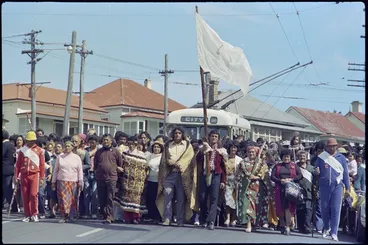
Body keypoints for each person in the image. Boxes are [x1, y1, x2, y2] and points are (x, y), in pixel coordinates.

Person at [156, 127, 195, 227]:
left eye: (179, 133)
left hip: (183, 175)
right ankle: (167, 218)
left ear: (182, 134)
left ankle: (180, 220)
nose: (177, 135)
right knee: (167, 195)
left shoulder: (187, 146)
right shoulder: (168, 145)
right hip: (169, 174)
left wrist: (178, 163)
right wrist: (169, 162)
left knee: (181, 198)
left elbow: (190, 159)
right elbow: (164, 160)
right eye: (175, 133)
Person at [314, 138, 350, 241]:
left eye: (333, 146)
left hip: (337, 186)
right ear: (327, 147)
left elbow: (346, 173)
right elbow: (316, 170)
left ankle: (334, 232)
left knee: (336, 209)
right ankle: (327, 227)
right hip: (324, 186)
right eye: (330, 146)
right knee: (324, 209)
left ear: (336, 146)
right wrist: (316, 172)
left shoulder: (341, 158)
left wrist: (347, 187)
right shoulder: (321, 157)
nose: (332, 148)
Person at [196, 130, 227, 230]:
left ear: (218, 139)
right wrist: (203, 151)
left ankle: (211, 221)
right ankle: (204, 219)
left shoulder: (221, 151)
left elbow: (224, 167)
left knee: (214, 198)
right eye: (212, 136)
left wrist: (223, 180)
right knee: (203, 197)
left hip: (216, 174)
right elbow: (197, 160)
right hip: (205, 174)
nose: (214, 138)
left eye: (216, 136)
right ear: (209, 137)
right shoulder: (204, 148)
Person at [114, 136, 149, 224]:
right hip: (126, 180)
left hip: (138, 182)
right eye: (129, 144)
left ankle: (135, 218)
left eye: (132, 144)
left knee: (136, 199)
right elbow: (121, 164)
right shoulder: (125, 153)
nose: (130, 146)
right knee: (126, 199)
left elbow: (145, 168)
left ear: (136, 144)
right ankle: (127, 218)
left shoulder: (141, 154)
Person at [14, 131, 45, 222]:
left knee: (33, 194)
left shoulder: (39, 150)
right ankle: (27, 214)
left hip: (34, 174)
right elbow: (18, 164)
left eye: (32, 140)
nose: (30, 142)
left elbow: (42, 165)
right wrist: (16, 176)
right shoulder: (22, 150)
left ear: (35, 140)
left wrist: (42, 177)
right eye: (28, 140)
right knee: (25, 195)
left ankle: (34, 213)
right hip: (24, 175)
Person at [271, 148, 302, 236]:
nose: (286, 158)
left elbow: (300, 176)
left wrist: (291, 179)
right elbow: (272, 177)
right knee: (280, 207)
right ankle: (282, 224)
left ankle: (288, 226)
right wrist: (280, 180)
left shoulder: (294, 165)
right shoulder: (277, 166)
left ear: (290, 157)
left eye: (288, 157)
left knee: (288, 207)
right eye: (285, 157)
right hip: (279, 189)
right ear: (282, 157)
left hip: (291, 190)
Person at [237, 145, 268, 233]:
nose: (251, 153)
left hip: (257, 187)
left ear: (256, 153)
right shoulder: (243, 162)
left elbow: (264, 173)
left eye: (253, 152)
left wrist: (256, 177)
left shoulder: (261, 163)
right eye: (249, 152)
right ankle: (248, 224)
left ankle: (255, 224)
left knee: (256, 206)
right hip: (246, 186)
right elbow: (240, 173)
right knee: (247, 205)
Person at [51, 141, 83, 223]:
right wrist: (53, 182)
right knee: (62, 199)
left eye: (69, 146)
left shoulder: (77, 157)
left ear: (72, 147)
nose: (67, 148)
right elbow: (56, 170)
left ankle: (72, 215)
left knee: (72, 199)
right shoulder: (60, 157)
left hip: (73, 182)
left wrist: (80, 181)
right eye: (66, 146)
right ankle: (64, 216)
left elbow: (80, 171)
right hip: (61, 181)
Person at [94, 134, 123, 224]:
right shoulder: (98, 152)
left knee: (110, 198)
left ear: (111, 141)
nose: (105, 142)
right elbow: (95, 164)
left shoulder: (116, 152)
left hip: (112, 178)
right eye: (104, 140)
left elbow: (120, 164)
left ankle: (109, 217)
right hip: (100, 178)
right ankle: (104, 214)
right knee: (102, 198)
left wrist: (115, 169)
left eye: (107, 140)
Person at [145, 138, 164, 224]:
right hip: (150, 180)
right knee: (150, 199)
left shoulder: (163, 157)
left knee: (158, 199)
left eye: (158, 147)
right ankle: (151, 216)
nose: (156, 149)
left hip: (159, 181)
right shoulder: (149, 156)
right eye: (155, 147)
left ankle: (158, 216)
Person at [224, 140, 243, 227]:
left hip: (236, 181)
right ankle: (227, 218)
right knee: (228, 199)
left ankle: (234, 218)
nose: (233, 149)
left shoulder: (240, 160)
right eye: (232, 147)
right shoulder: (225, 158)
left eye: (235, 147)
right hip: (227, 180)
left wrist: (238, 180)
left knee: (235, 200)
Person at [71, 134, 91, 218]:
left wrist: (79, 167)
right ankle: (73, 212)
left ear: (80, 142)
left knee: (84, 195)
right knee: (73, 195)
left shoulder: (84, 152)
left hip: (83, 176)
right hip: (71, 176)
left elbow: (88, 165)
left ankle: (84, 212)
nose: (74, 143)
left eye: (76, 141)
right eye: (72, 141)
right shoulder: (68, 151)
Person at [296, 150, 314, 234]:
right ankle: (300, 227)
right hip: (299, 190)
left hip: (309, 191)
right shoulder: (296, 167)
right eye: (300, 156)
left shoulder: (311, 168)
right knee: (300, 209)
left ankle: (308, 226)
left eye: (304, 156)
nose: (302, 158)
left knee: (308, 209)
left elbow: (315, 179)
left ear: (306, 158)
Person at [84, 134, 99, 219]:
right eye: (90, 143)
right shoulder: (86, 151)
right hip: (87, 173)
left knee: (94, 193)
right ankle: (86, 212)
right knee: (86, 194)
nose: (92, 144)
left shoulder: (99, 151)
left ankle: (94, 212)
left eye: (93, 143)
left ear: (96, 143)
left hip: (96, 174)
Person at [47, 141, 64, 218]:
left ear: (62, 149)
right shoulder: (51, 157)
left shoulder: (64, 157)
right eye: (56, 147)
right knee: (52, 196)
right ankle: (52, 212)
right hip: (53, 179)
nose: (57, 148)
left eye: (59, 147)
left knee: (61, 196)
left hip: (62, 179)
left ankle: (62, 212)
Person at [2, 129, 15, 211]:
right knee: (8, 189)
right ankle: (13, 206)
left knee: (7, 189)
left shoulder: (4, 145)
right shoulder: (11, 145)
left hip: (4, 169)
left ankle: (12, 207)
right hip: (10, 169)